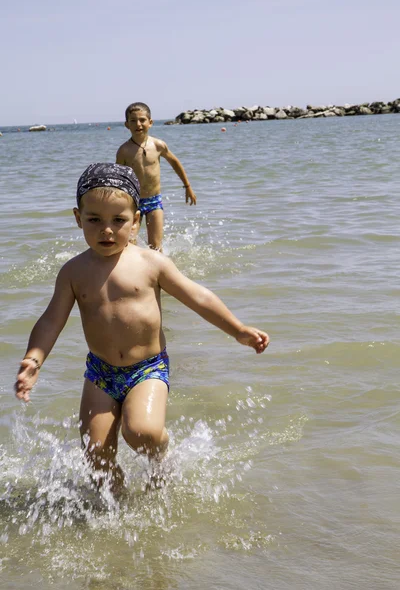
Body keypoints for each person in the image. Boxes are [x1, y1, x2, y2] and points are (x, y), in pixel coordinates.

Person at [15, 163, 269, 492]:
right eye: (94, 220)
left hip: (146, 369)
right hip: (100, 373)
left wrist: (238, 330)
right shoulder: (73, 272)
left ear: (136, 222)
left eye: (118, 220)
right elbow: (51, 319)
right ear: (78, 219)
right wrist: (34, 360)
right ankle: (117, 513)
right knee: (97, 459)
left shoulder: (152, 263)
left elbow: (198, 297)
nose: (107, 231)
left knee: (142, 432)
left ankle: (164, 459)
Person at [116, 102, 196, 251]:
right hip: (133, 202)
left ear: (150, 122)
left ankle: (158, 272)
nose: (138, 124)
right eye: (133, 121)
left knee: (156, 247)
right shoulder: (124, 151)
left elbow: (175, 163)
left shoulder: (158, 145)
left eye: (142, 120)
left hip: (154, 201)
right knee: (128, 244)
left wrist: (187, 186)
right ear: (127, 124)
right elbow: (119, 178)